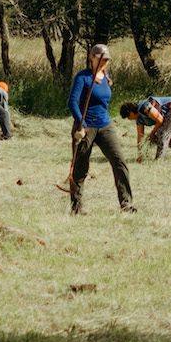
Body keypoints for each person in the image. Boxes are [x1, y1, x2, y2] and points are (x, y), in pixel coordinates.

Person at [67, 44, 135, 214]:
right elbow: (72, 102)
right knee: (80, 167)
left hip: (105, 125)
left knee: (119, 162)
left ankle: (126, 203)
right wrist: (81, 124)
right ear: (92, 57)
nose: (104, 62)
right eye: (101, 59)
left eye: (106, 60)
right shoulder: (83, 77)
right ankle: (76, 207)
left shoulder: (106, 77)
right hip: (86, 127)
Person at [120, 96, 171, 161]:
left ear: (131, 112)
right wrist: (140, 155)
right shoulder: (139, 119)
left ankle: (159, 160)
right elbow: (140, 137)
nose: (129, 119)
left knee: (162, 134)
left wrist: (152, 133)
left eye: (128, 116)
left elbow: (160, 120)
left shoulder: (145, 107)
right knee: (170, 137)